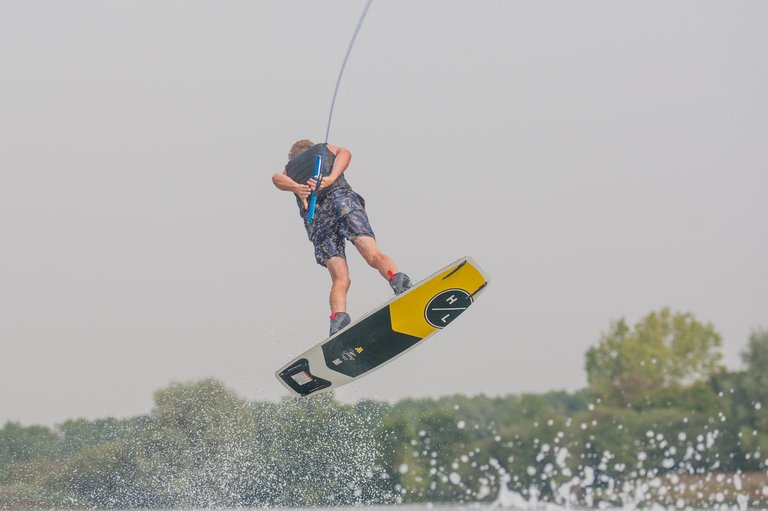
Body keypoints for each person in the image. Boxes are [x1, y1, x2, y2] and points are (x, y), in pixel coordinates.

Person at [272, 139, 412, 336]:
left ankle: (338, 320)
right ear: (310, 148)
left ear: (292, 157)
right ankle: (398, 281)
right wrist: (331, 178)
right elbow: (345, 153)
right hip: (341, 200)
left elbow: (276, 178)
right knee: (372, 254)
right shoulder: (323, 148)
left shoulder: (289, 170)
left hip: (317, 217)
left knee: (340, 277)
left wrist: (296, 187)